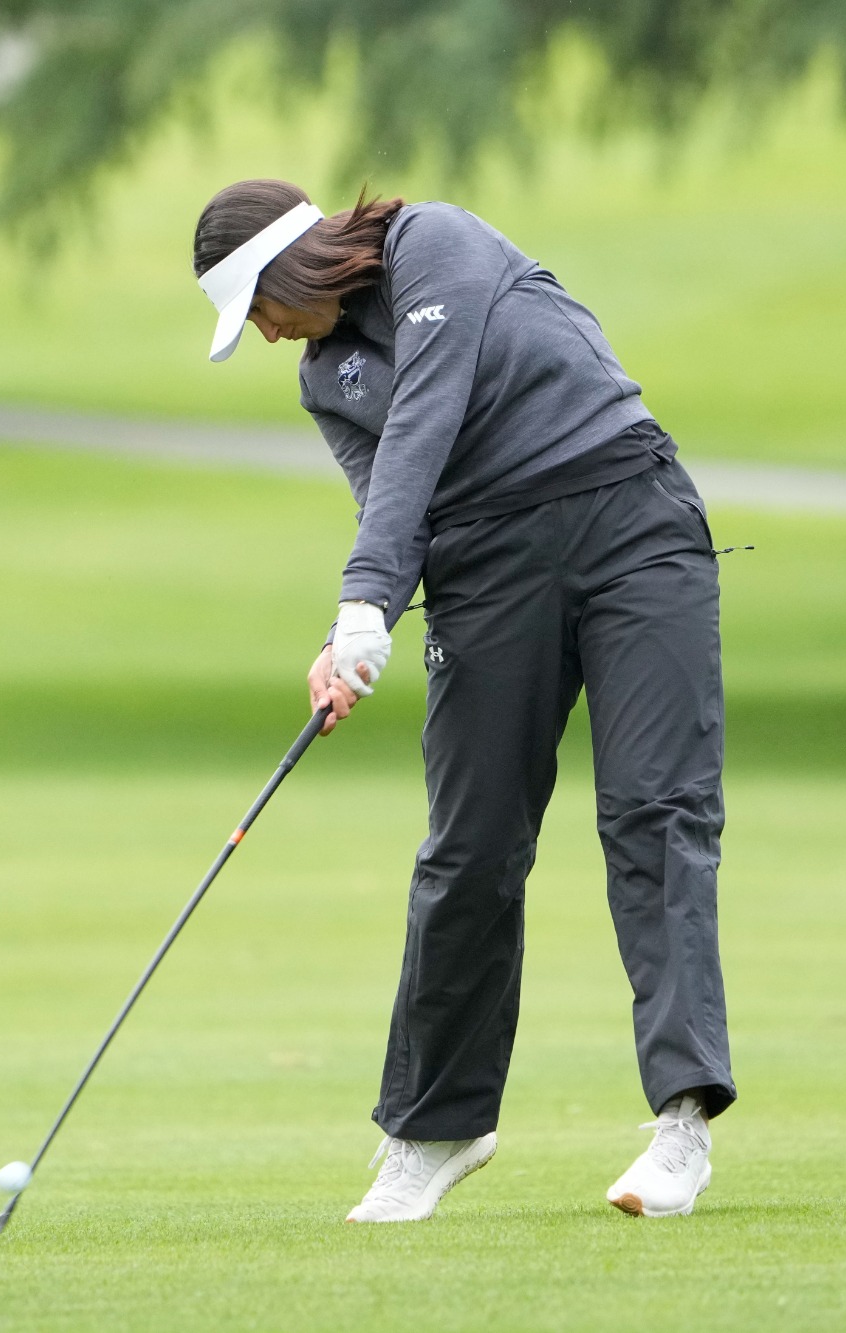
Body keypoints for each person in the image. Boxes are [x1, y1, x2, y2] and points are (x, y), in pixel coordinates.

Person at [191, 180, 734, 1222]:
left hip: (630, 518)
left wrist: (361, 598)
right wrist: (352, 632)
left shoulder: (433, 242)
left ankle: (681, 1123)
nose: (265, 334)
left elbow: (426, 415)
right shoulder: (325, 379)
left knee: (655, 813)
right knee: (469, 846)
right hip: (486, 570)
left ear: (292, 265)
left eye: (258, 307)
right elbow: (392, 502)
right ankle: (436, 1128)